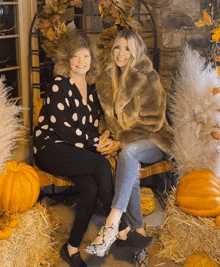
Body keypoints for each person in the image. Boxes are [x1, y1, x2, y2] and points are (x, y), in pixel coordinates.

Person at [84, 29, 173, 260]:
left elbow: (153, 122)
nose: (121, 53)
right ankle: (138, 232)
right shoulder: (107, 78)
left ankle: (112, 224)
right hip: (127, 147)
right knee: (128, 159)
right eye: (117, 47)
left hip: (154, 140)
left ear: (136, 51)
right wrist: (105, 133)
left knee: (129, 151)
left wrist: (119, 141)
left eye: (127, 48)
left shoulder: (148, 77)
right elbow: (107, 117)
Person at [33, 31, 114, 267]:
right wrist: (96, 144)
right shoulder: (59, 85)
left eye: (86, 56)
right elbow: (63, 129)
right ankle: (115, 227)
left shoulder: (90, 89)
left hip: (73, 150)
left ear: (92, 60)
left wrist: (104, 135)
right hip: (50, 147)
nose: (81, 61)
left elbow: (90, 126)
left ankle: (70, 249)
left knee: (89, 188)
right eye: (76, 56)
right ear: (67, 60)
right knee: (102, 164)